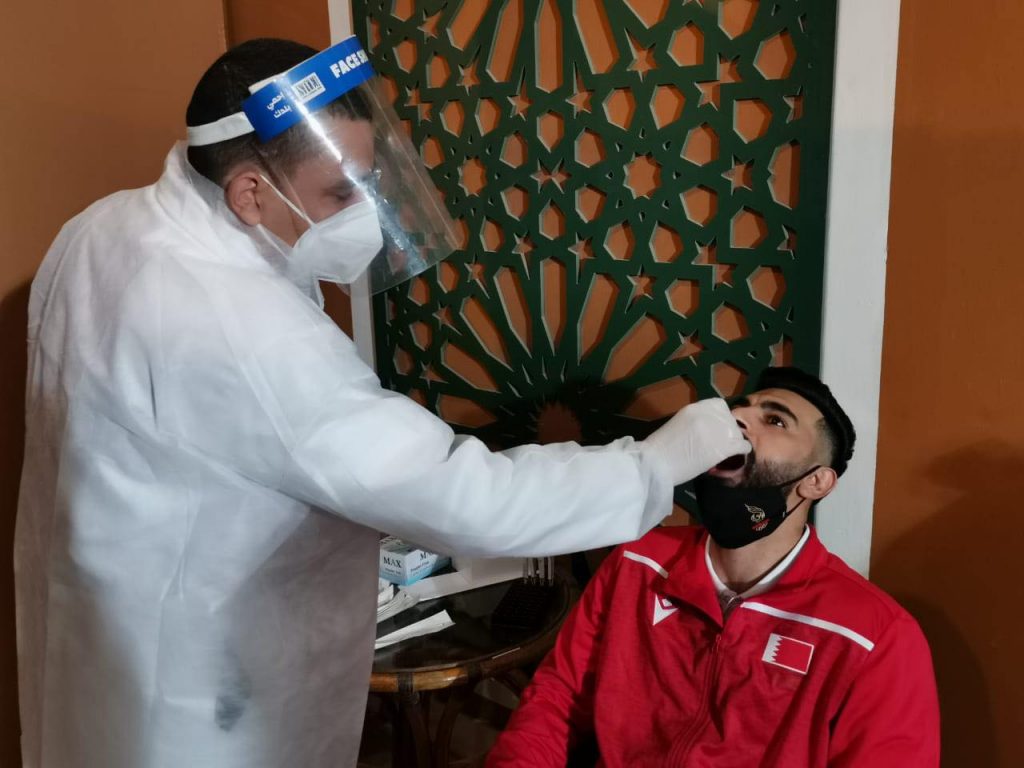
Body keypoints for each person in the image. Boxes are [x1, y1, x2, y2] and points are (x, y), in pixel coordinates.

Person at [13, 37, 751, 768]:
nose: (364, 212)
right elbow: (458, 495)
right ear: (249, 194)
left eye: (368, 182)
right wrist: (650, 467)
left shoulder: (103, 228)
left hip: (110, 618)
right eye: (341, 193)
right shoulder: (244, 330)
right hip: (207, 690)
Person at [487, 367, 941, 767]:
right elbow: (558, 700)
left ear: (817, 481)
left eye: (775, 420)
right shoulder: (637, 561)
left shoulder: (874, 637)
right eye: (738, 409)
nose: (738, 419)